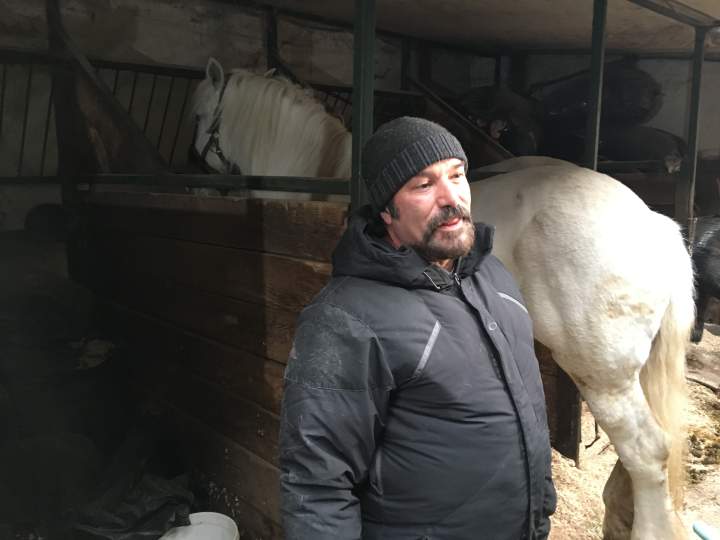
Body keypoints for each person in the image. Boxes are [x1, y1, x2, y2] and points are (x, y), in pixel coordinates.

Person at [279, 116, 556, 540]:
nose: (451, 198)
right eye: (423, 185)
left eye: (457, 176)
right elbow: (316, 485)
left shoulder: (493, 276)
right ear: (386, 211)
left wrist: (540, 508)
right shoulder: (344, 319)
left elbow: (526, 406)